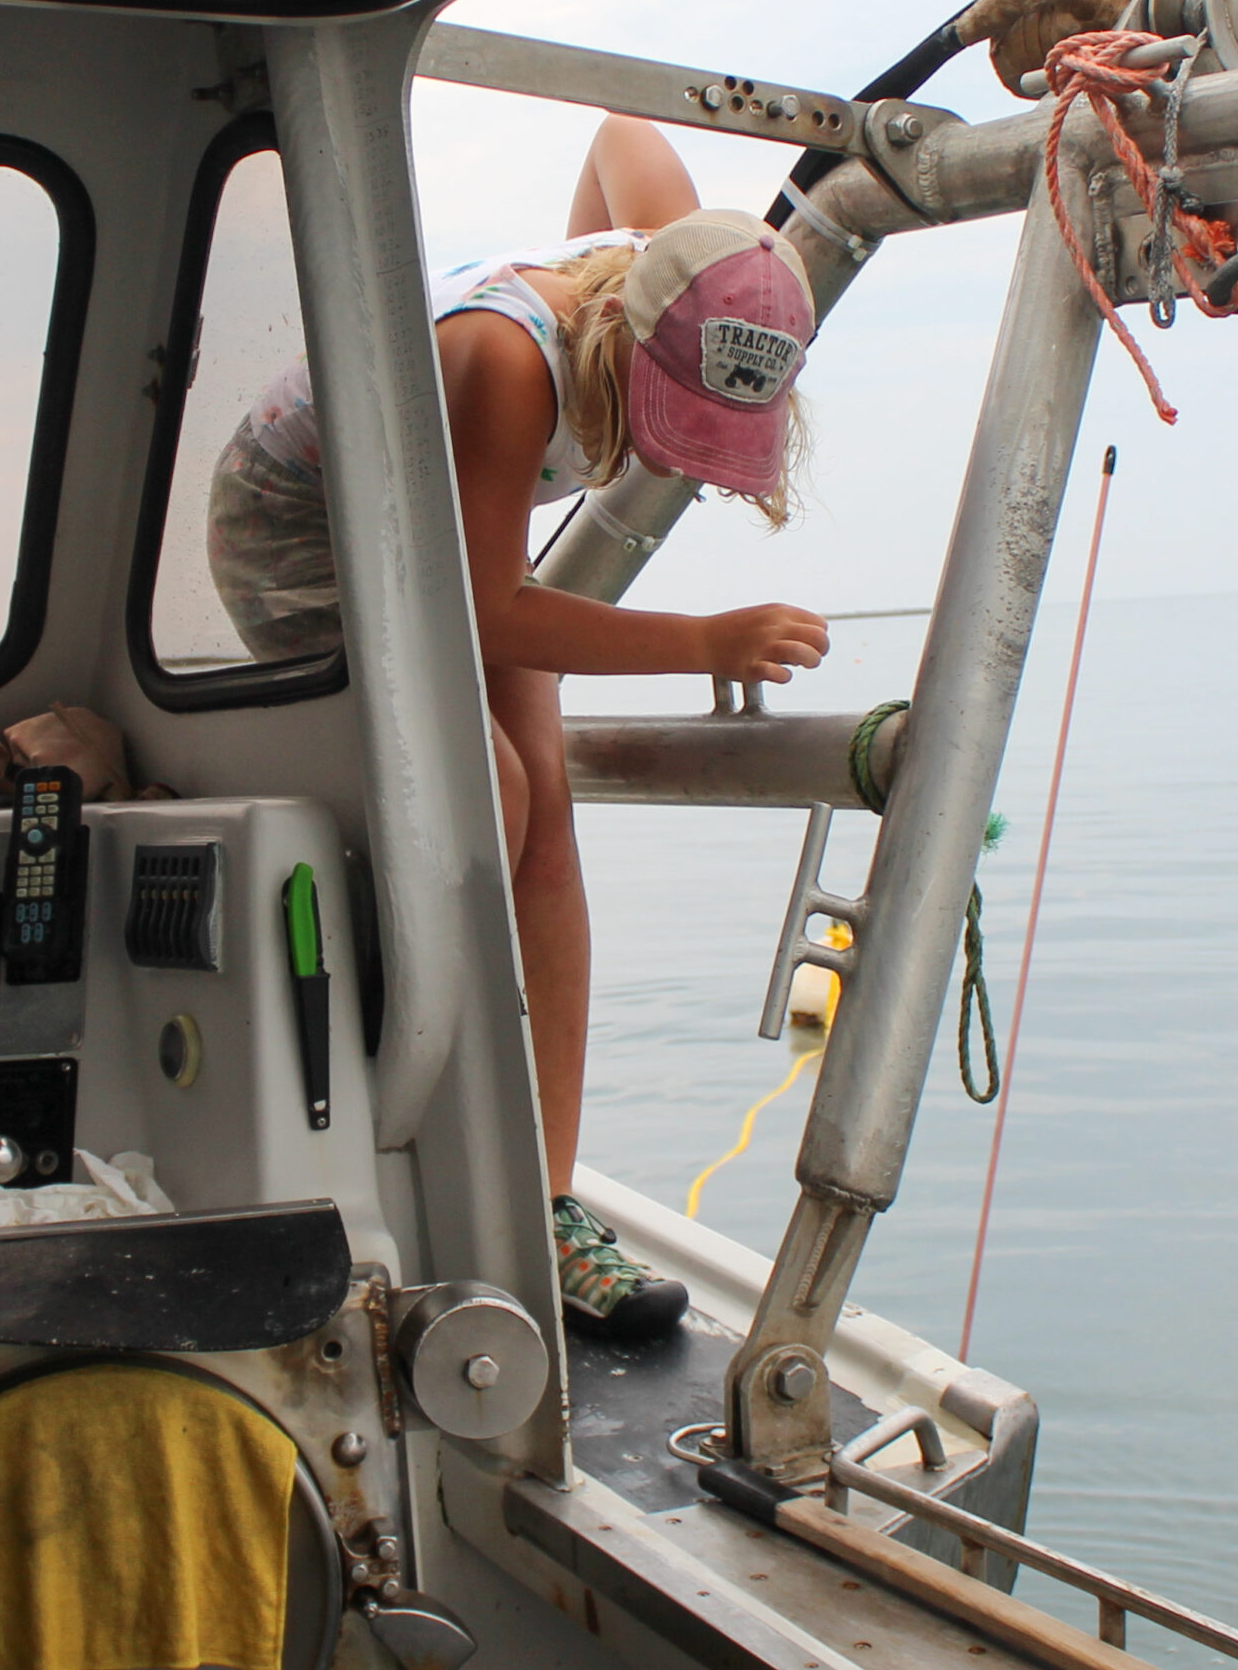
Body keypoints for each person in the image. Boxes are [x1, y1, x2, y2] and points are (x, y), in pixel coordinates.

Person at [208, 115, 828, 1339]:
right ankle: (400, 1126)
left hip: (430, 533)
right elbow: (490, 611)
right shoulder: (507, 363)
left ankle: (544, 1201)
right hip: (305, 547)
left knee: (547, 833)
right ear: (623, 333)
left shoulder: (693, 259)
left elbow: (622, 130)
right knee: (488, 786)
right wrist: (702, 644)